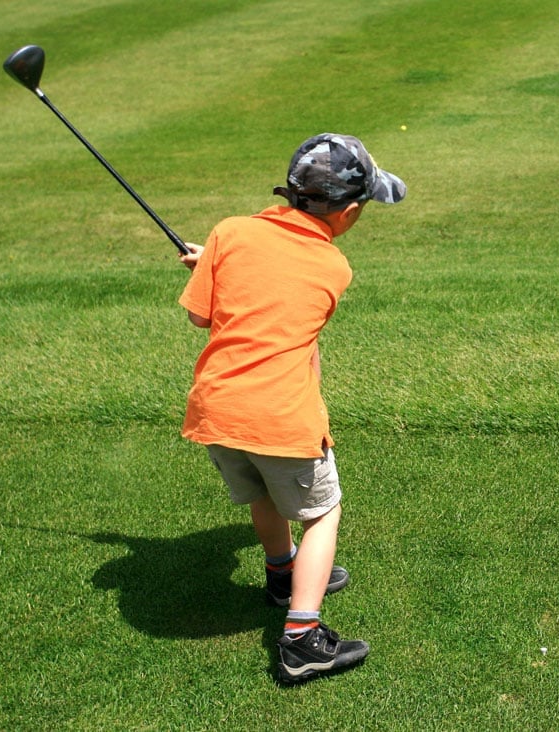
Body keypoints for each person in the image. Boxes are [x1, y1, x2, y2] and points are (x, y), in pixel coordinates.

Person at [177, 133, 406, 684]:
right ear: (348, 212)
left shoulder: (230, 233)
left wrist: (214, 264)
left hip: (218, 414)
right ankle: (302, 639)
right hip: (280, 416)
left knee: (261, 493)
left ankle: (281, 575)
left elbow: (202, 317)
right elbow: (285, 297)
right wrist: (227, 266)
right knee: (322, 512)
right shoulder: (334, 268)